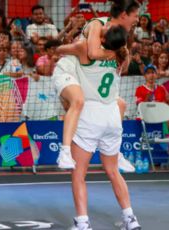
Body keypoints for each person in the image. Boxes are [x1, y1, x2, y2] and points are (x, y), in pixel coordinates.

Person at [57, 25, 141, 230]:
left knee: (78, 174)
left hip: (91, 115)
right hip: (112, 114)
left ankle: (83, 223)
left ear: (103, 40)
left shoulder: (86, 50)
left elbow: (59, 50)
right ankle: (131, 219)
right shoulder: (122, 57)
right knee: (113, 170)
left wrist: (81, 37)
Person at [54, 0, 140, 171]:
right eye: (135, 16)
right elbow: (92, 53)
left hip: (84, 73)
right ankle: (64, 152)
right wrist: (114, 53)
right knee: (78, 101)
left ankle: (115, 152)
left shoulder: (119, 35)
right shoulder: (97, 24)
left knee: (120, 104)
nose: (137, 19)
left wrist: (121, 55)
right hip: (69, 70)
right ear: (124, 15)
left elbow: (122, 66)